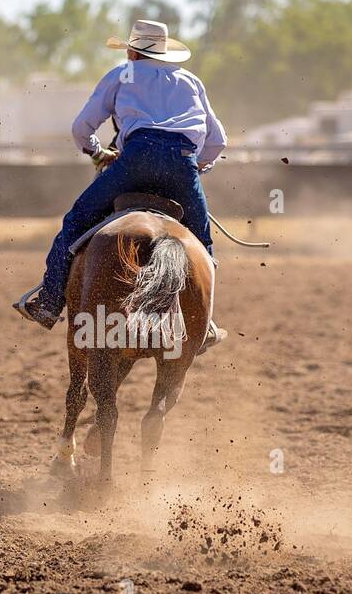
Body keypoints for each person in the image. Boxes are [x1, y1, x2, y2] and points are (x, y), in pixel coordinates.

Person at [14, 19, 228, 348]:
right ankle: (204, 323)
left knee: (76, 221)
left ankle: (49, 302)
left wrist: (98, 153)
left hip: (134, 161)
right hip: (182, 166)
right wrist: (195, 167)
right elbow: (217, 141)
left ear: (132, 51)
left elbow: (81, 129)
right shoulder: (191, 82)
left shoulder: (121, 75)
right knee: (203, 246)